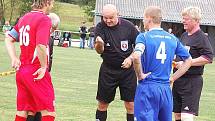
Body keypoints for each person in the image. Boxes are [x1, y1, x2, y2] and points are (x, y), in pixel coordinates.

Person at [132, 6, 192, 121]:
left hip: (148, 87)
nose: (143, 21)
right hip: (165, 89)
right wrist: (173, 78)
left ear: (149, 19)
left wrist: (140, 76)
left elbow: (136, 56)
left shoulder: (144, 37)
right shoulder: (172, 38)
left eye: (144, 18)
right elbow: (188, 60)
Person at [4, 0, 56, 121]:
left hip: (22, 71)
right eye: (52, 2)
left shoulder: (24, 18)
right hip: (36, 71)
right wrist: (43, 67)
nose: (52, 5)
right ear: (46, 2)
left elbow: (8, 38)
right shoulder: (44, 19)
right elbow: (41, 45)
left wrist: (14, 58)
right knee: (49, 112)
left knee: (23, 112)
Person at [94, 4, 139, 121]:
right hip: (108, 70)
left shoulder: (128, 27)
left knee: (131, 104)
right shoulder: (100, 27)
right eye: (105, 18)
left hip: (127, 71)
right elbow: (99, 51)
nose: (108, 20)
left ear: (118, 14)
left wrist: (130, 58)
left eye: (111, 17)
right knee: (103, 103)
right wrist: (99, 44)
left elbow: (139, 47)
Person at [172, 6, 214, 121]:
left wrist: (188, 63)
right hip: (178, 80)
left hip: (191, 82)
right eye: (183, 18)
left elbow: (208, 57)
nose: (183, 21)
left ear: (196, 21)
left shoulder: (201, 37)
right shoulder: (185, 35)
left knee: (187, 117)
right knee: (178, 116)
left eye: (186, 19)